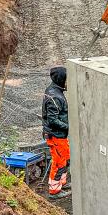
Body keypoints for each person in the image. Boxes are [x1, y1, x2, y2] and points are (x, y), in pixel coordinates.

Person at [42, 66, 70, 196]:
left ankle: (61, 182)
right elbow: (53, 120)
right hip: (56, 135)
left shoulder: (54, 91)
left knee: (65, 159)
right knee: (58, 162)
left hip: (59, 135)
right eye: (66, 79)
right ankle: (54, 190)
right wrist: (69, 126)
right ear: (61, 79)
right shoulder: (55, 96)